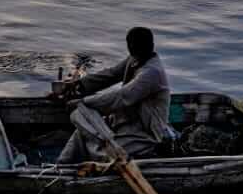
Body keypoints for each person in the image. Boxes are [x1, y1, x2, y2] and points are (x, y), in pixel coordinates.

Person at [53, 26, 172, 164]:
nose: (134, 49)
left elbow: (121, 96)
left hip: (143, 134)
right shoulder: (133, 60)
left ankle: (96, 155)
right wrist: (79, 85)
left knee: (106, 155)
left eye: (139, 46)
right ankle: (60, 166)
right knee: (82, 132)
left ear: (151, 45)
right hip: (123, 121)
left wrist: (83, 101)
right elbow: (110, 75)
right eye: (132, 46)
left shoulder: (152, 73)